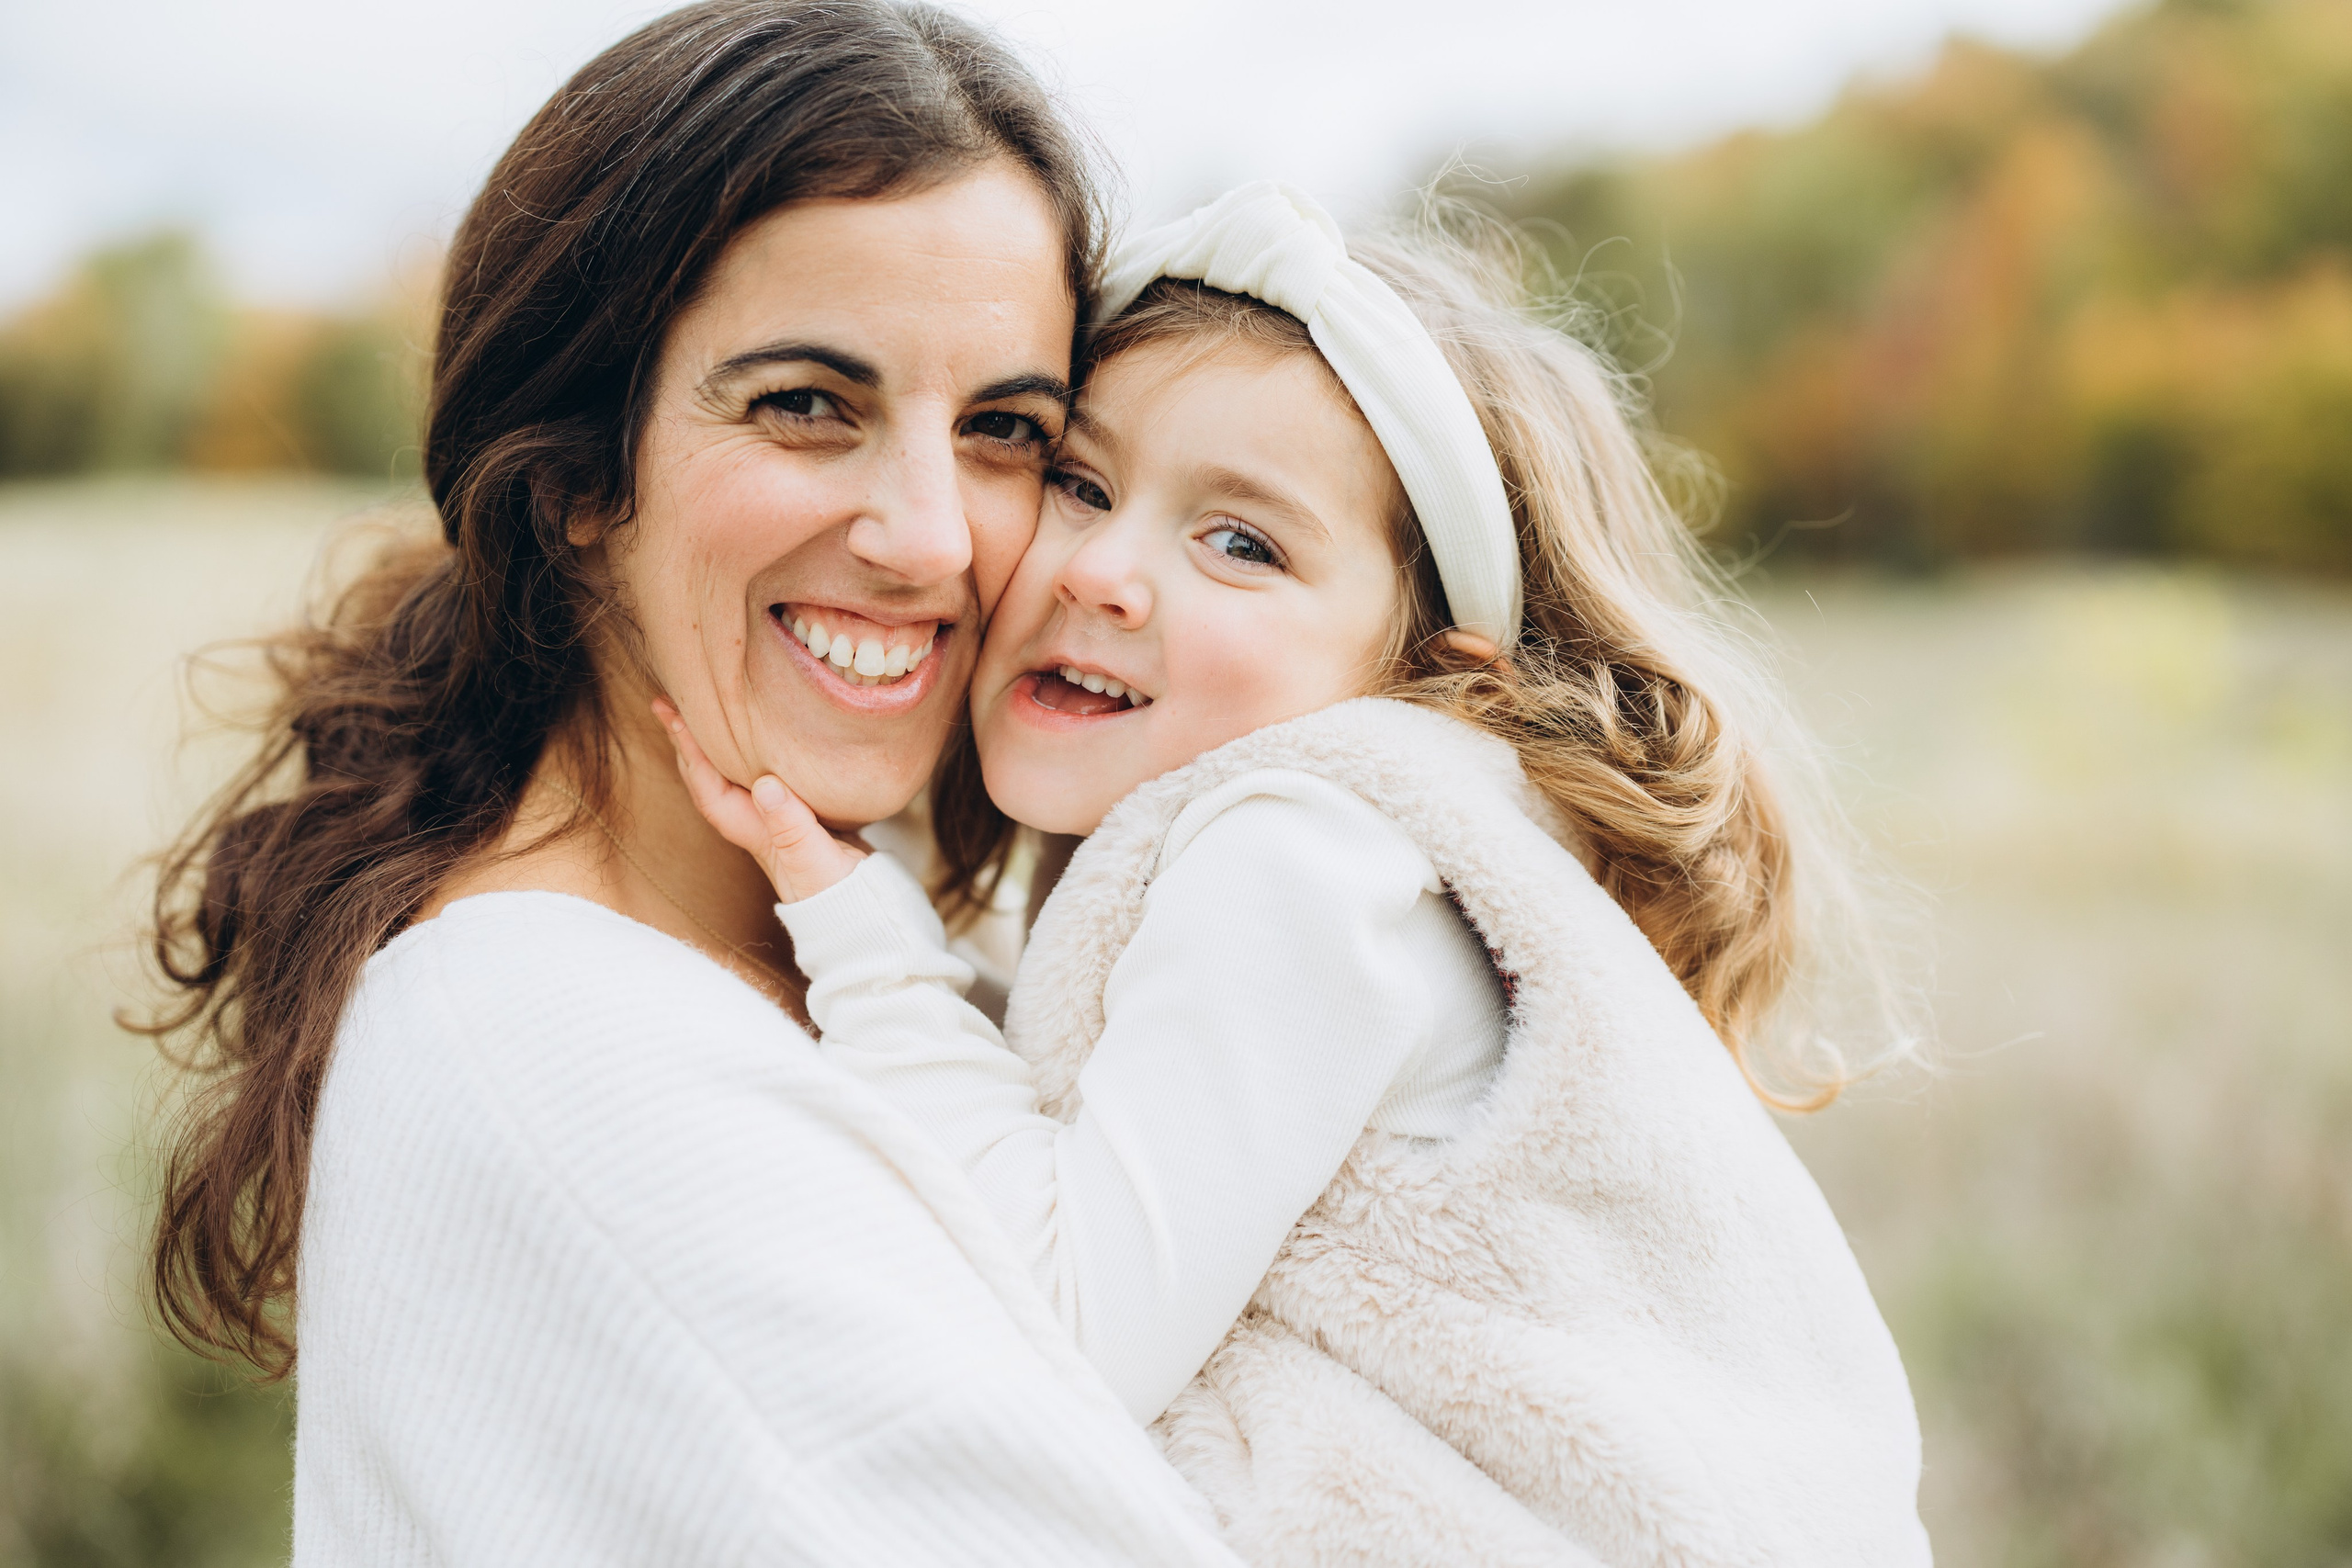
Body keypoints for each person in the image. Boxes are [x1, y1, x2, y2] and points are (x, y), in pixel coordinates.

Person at [672, 183, 1934, 1563]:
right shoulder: (1318, 838)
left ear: (1420, 678)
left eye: (1243, 543)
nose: (1105, 571)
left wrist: (866, 943)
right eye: (1084, 485)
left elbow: (1064, 1328)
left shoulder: (1307, 854)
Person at [140, 4, 1245, 1562]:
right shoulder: (568, 1068)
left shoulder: (864, 966)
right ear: (583, 472)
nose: (932, 535)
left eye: (1007, 430)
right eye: (808, 404)